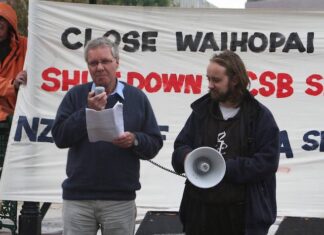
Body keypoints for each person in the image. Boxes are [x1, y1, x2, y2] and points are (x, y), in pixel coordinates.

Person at [51, 37, 163, 235]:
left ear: (117, 62)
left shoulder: (136, 98)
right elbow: (60, 137)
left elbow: (154, 142)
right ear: (88, 66)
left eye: (105, 61)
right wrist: (87, 112)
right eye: (93, 63)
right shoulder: (76, 95)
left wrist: (134, 140)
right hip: (78, 199)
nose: (99, 67)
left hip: (120, 200)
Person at [172, 50, 280, 235]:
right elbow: (180, 147)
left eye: (216, 80)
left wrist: (221, 167)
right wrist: (188, 157)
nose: (210, 85)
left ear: (235, 80)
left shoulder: (259, 116)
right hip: (200, 213)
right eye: (209, 79)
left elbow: (267, 162)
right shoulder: (201, 112)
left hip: (242, 215)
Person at [0, 2, 27, 123]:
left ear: (10, 23)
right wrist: (12, 84)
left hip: (19, 113)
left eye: (2, 19)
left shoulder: (25, 45)